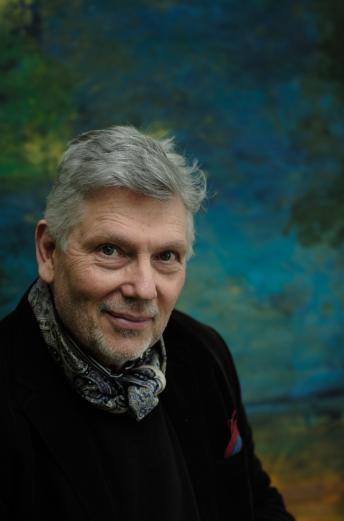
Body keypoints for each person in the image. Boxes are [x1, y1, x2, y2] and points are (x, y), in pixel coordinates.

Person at [0, 126, 295, 521]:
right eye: (111, 250)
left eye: (166, 256)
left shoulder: (203, 352)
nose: (143, 289)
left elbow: (253, 501)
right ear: (49, 251)